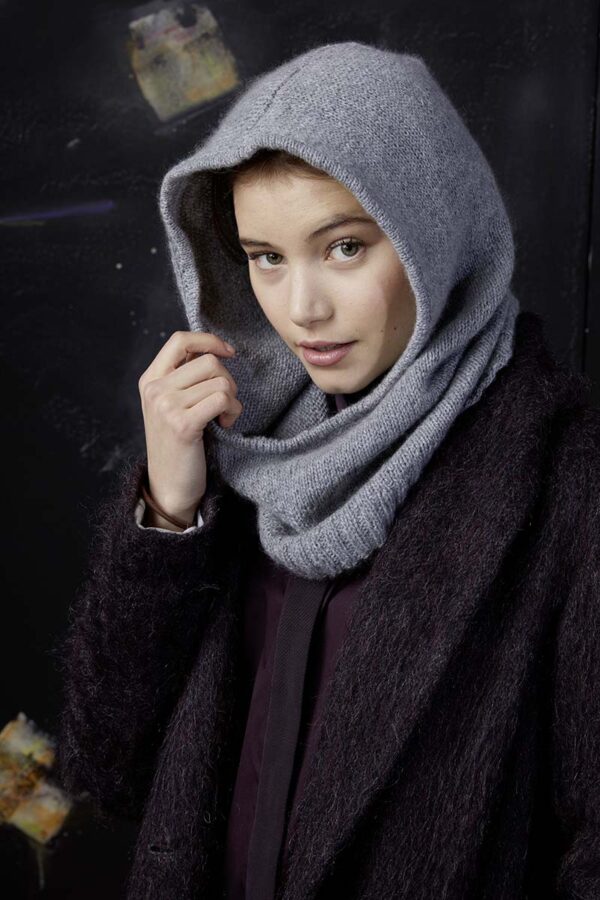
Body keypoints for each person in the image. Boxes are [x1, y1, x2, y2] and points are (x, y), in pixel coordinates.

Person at [55, 40, 600, 900]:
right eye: (266, 257)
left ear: (432, 232)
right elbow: (112, 768)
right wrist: (169, 512)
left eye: (344, 247)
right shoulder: (241, 448)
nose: (301, 308)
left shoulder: (567, 477)